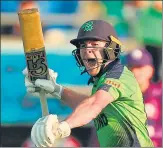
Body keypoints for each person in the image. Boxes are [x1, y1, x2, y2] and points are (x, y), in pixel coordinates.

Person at [23, 20, 154, 147]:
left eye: (94, 44)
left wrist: (60, 128)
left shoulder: (120, 76)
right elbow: (89, 106)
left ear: (111, 48)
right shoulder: (102, 81)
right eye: (83, 45)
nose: (87, 50)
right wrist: (56, 90)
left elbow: (94, 105)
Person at [126, 48, 162, 147]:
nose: (135, 72)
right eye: (131, 67)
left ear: (151, 70)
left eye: (140, 67)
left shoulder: (160, 94)